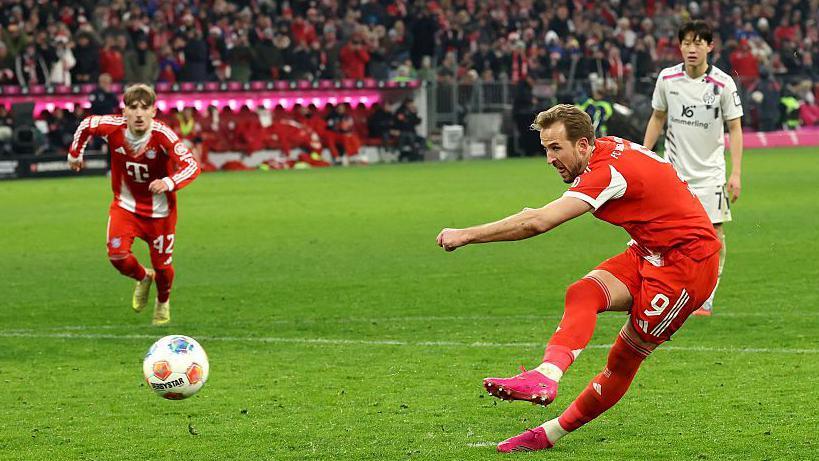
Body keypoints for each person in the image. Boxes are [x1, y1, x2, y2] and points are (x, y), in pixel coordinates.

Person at [436, 104, 721, 452]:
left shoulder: (605, 172)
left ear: (583, 145)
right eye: (546, 149)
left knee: (623, 358)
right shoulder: (607, 149)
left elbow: (537, 222)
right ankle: (547, 375)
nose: (550, 159)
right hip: (649, 250)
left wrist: (466, 235)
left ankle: (549, 433)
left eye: (556, 148)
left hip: (687, 267)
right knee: (583, 292)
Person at [67, 84, 200, 325]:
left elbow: (192, 166)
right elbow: (86, 124)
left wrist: (169, 182)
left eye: (145, 108)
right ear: (124, 111)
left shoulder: (163, 135)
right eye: (133, 107)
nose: (139, 113)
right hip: (125, 206)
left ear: (154, 111)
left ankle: (162, 302)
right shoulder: (113, 128)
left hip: (160, 213)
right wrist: (75, 154)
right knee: (117, 255)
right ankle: (142, 277)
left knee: (163, 267)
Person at [643, 20, 743, 316]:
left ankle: (706, 299)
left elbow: (735, 128)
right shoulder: (667, 79)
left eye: (698, 43)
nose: (691, 49)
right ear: (680, 46)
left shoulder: (723, 84)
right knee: (659, 235)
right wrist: (643, 155)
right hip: (673, 173)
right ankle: (660, 290)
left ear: (709, 47)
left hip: (710, 173)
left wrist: (735, 173)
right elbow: (657, 117)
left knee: (714, 237)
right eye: (687, 42)